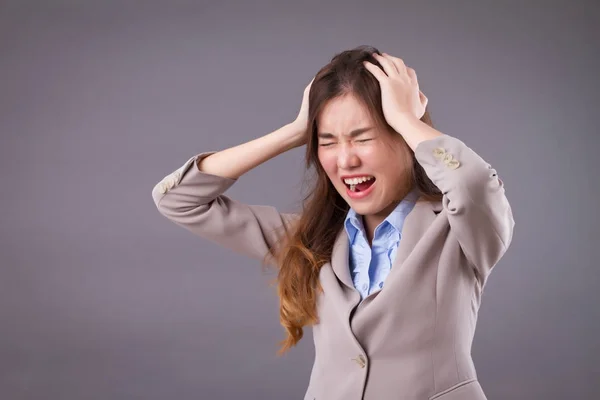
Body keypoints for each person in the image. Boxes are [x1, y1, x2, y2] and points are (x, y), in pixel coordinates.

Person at [151, 45, 515, 400]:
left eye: (363, 138)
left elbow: (474, 183)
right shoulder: (309, 239)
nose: (345, 161)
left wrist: (407, 120)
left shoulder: (458, 230)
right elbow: (178, 198)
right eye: (328, 143)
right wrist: (295, 131)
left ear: (405, 140)